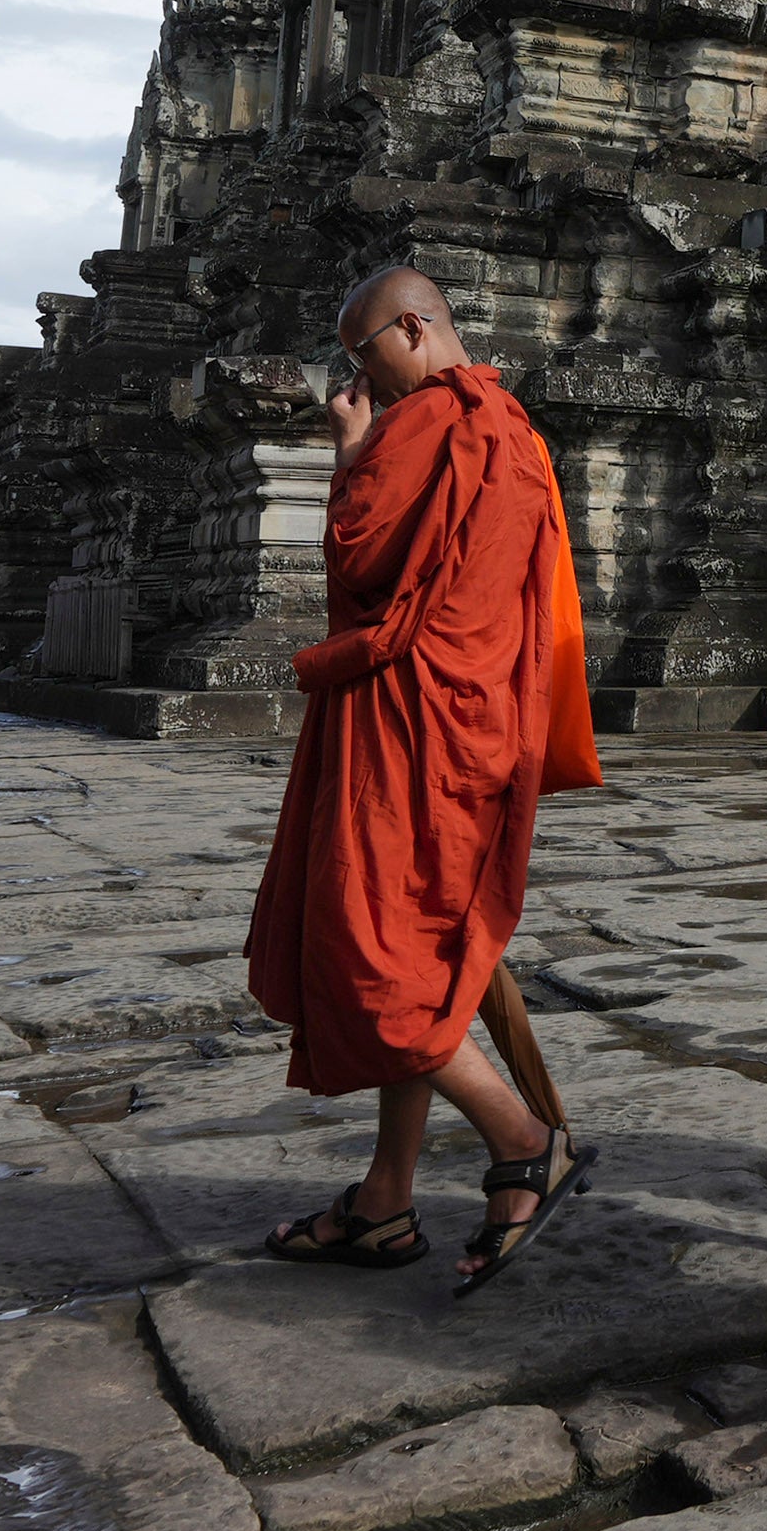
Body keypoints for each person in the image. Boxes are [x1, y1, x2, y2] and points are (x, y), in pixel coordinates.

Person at [247, 264, 601, 1289]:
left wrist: (352, 453)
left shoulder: (424, 426)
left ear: (410, 328)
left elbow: (362, 562)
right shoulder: (517, 432)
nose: (366, 384)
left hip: (405, 731)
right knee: (425, 949)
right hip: (480, 728)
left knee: (372, 953)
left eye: (364, 361)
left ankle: (521, 1137)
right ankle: (384, 1202)